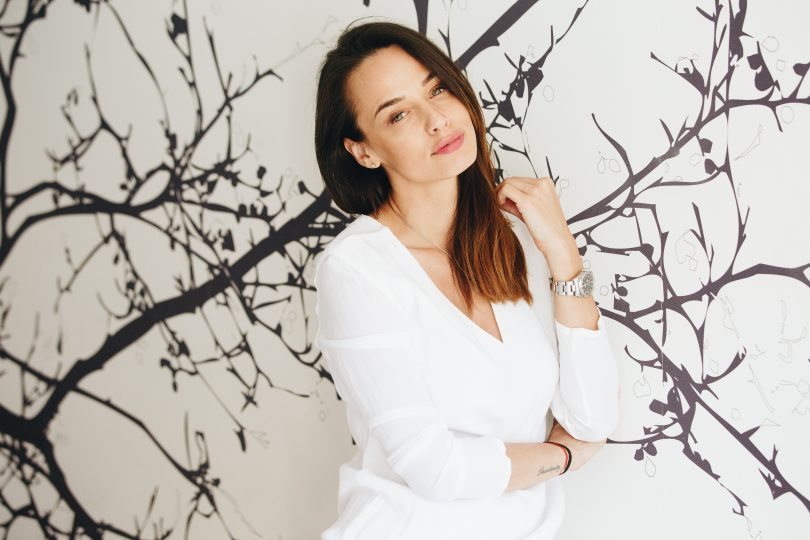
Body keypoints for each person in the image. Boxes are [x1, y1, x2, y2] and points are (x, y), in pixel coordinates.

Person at [312, 19, 620, 540]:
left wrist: (564, 253)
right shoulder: (357, 269)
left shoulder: (516, 242)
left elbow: (592, 418)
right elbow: (435, 470)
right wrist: (563, 457)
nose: (437, 120)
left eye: (437, 89)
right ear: (364, 151)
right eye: (399, 114)